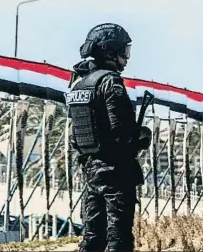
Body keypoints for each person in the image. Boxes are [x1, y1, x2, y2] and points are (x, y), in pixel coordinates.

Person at [65, 23, 151, 252]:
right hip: (116, 171)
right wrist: (143, 136)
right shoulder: (110, 82)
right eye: (124, 52)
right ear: (110, 52)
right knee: (118, 239)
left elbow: (77, 134)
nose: (126, 59)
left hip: (90, 171)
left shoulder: (77, 83)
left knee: (92, 239)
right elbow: (122, 133)